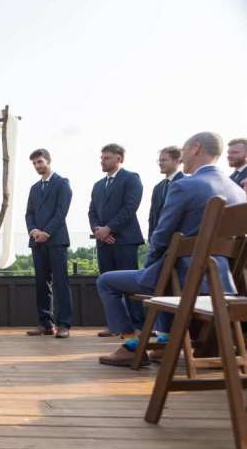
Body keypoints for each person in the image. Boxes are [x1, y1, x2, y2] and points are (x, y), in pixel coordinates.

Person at [97, 132, 246, 367]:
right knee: (166, 276)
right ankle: (164, 342)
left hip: (182, 280)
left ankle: (132, 343)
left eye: (184, 150)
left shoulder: (186, 185)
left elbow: (161, 236)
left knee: (107, 280)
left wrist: (150, 266)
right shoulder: (238, 192)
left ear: (196, 148)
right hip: (222, 285)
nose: (182, 155)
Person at [88, 144, 144, 337]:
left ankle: (138, 326)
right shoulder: (97, 185)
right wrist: (98, 230)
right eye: (102, 157)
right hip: (103, 241)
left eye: (107, 158)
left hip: (125, 241)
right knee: (108, 285)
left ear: (120, 159)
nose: (102, 161)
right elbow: (92, 211)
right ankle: (116, 325)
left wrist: (109, 229)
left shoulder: (131, 178)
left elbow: (130, 208)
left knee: (130, 286)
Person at [24, 149, 74, 339]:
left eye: (40, 162)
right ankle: (45, 324)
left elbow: (61, 212)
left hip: (56, 241)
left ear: (48, 161)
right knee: (41, 284)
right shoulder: (34, 188)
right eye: (35, 163)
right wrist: (34, 231)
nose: (38, 166)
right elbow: (29, 213)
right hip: (37, 242)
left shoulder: (62, 183)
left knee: (61, 283)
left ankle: (64, 325)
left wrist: (47, 232)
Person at [148, 147, 184, 241]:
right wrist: (151, 239)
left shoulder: (186, 183)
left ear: (177, 161)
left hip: (178, 240)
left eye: (164, 160)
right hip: (158, 242)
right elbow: (152, 216)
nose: (160, 163)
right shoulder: (158, 187)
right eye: (159, 160)